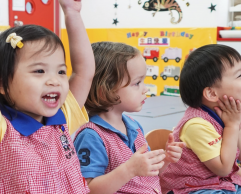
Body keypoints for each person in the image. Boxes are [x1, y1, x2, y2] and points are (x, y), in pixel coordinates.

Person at [0, 0, 94, 193]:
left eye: (61, 71)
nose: (54, 80)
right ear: (2, 83)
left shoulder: (62, 118)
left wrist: (72, 13)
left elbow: (84, 71)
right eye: (39, 71)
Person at [74, 42, 185, 194]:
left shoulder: (133, 125)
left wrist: (166, 159)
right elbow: (88, 189)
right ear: (105, 91)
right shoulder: (91, 135)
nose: (145, 89)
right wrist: (129, 169)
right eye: (137, 83)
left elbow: (149, 175)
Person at [160, 44, 241, 194]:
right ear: (211, 94)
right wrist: (232, 125)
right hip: (190, 188)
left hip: (217, 181)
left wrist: (236, 123)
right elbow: (223, 168)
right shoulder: (196, 125)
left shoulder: (228, 115)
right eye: (239, 76)